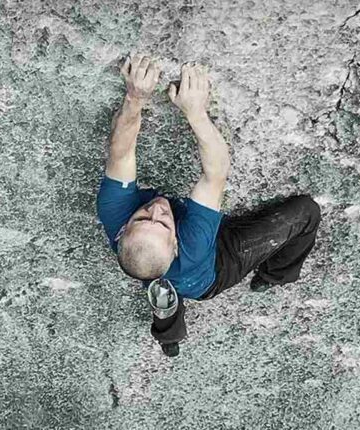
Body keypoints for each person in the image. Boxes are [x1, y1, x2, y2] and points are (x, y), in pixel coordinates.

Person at [96, 54, 321, 357]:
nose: (157, 209)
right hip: (214, 271)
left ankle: (168, 335)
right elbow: (215, 173)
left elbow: (120, 153)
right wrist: (196, 112)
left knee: (157, 280)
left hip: (160, 262)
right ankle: (274, 275)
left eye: (142, 217)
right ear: (175, 243)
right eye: (163, 223)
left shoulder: (115, 217)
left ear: (123, 231)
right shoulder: (194, 244)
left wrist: (135, 97)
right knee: (306, 212)